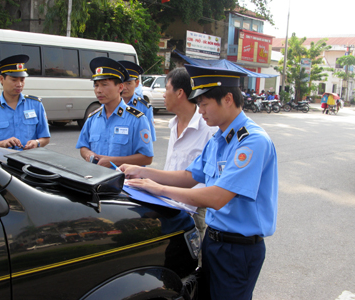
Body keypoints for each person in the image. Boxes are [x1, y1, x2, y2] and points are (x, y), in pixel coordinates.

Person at [120, 65, 278, 300]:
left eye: (204, 104)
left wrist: (159, 189)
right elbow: (189, 176)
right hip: (214, 243)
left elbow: (217, 197)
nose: (200, 110)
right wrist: (143, 172)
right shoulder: (218, 139)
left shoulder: (252, 142)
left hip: (238, 249)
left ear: (227, 99)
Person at [163, 67, 217, 266]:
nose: (163, 93)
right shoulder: (173, 124)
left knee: (195, 266)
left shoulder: (208, 128)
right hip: (169, 204)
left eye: (166, 88)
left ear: (180, 93)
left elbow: (204, 178)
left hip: (194, 211)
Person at [76, 57, 154, 168]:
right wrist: (88, 154)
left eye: (104, 84)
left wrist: (113, 161)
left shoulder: (137, 119)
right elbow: (83, 146)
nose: (99, 90)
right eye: (96, 85)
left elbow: (147, 157)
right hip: (96, 180)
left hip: (124, 183)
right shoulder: (92, 118)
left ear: (120, 87)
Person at [0, 54, 50, 150]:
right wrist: (3, 143)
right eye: (14, 80)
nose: (19, 84)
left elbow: (45, 138)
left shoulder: (36, 105)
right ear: (1, 79)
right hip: (2, 162)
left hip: (30, 161)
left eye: (22, 80)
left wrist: (36, 142)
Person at [118, 60, 156, 141]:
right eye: (122, 83)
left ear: (137, 83)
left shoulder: (145, 108)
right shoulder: (110, 105)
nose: (124, 87)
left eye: (128, 83)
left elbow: (149, 139)